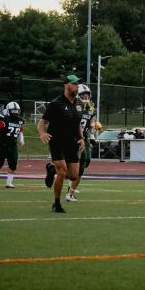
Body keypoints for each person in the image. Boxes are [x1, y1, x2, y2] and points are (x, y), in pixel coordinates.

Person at [38, 75, 85, 213]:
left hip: (72, 143)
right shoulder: (56, 103)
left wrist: (81, 138)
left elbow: (78, 124)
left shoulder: (79, 104)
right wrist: (42, 133)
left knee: (74, 175)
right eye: (74, 84)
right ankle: (56, 203)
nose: (77, 86)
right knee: (62, 171)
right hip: (57, 141)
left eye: (78, 84)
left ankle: (51, 169)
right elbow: (42, 121)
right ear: (66, 85)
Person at [68, 83, 97, 202]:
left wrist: (93, 128)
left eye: (87, 95)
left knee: (85, 162)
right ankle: (69, 189)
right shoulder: (72, 106)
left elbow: (91, 122)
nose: (85, 97)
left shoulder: (90, 107)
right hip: (71, 137)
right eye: (83, 95)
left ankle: (70, 192)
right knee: (70, 165)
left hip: (84, 138)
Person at [0, 101, 25, 188]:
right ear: (8, 111)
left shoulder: (19, 121)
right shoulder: (4, 120)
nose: (15, 112)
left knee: (13, 165)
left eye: (17, 111)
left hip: (12, 145)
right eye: (13, 111)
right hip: (1, 144)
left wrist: (21, 140)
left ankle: (9, 183)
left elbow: (20, 132)